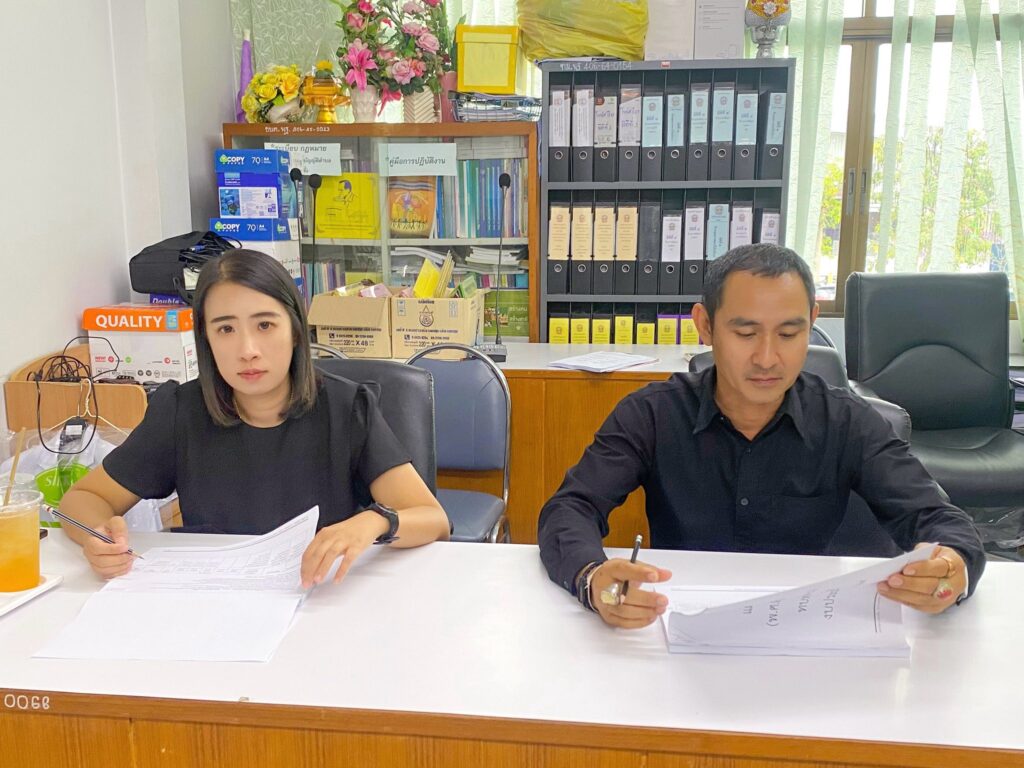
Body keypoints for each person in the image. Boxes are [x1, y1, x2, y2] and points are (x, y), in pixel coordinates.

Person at [538, 244, 985, 629]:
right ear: (705, 325)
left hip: (809, 628)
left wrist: (952, 568)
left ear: (811, 322)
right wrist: (592, 577)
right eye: (746, 332)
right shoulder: (652, 414)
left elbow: (940, 519)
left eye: (789, 333)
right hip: (681, 624)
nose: (768, 358)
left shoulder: (848, 421)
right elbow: (570, 508)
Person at [62, 249, 449, 587]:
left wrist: (373, 522)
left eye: (265, 325)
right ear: (206, 340)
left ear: (295, 330)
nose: (247, 350)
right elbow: (83, 498)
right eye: (226, 329)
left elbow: (433, 519)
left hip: (321, 600)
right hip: (217, 603)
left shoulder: (346, 407)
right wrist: (98, 535)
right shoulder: (182, 411)